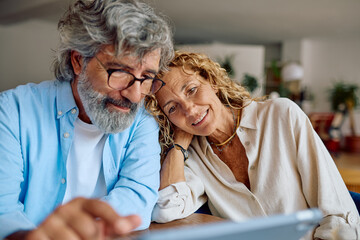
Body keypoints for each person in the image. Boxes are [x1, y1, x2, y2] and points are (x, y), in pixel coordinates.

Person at [0, 0, 173, 239]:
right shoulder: (11, 112)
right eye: (120, 72)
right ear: (78, 61)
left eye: (146, 77)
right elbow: (2, 213)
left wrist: (85, 231)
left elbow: (138, 196)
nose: (135, 95)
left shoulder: (142, 123)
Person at [145, 51, 360, 240]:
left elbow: (338, 215)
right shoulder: (192, 156)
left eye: (191, 90)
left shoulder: (282, 115)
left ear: (210, 80)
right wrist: (178, 146)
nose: (189, 110)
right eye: (172, 108)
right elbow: (167, 209)